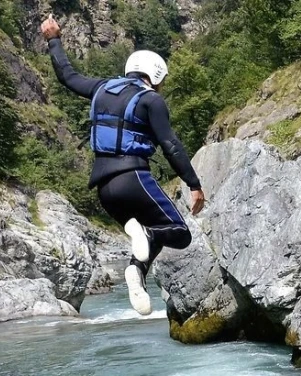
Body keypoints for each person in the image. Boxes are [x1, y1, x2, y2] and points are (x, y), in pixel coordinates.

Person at [40, 14, 205, 315]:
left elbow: (67, 76)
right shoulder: (151, 100)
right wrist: (194, 185)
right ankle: (146, 237)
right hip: (133, 177)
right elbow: (170, 145)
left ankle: (136, 272)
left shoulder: (101, 88)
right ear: (155, 75)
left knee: (147, 232)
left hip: (104, 188)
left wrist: (54, 39)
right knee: (179, 232)